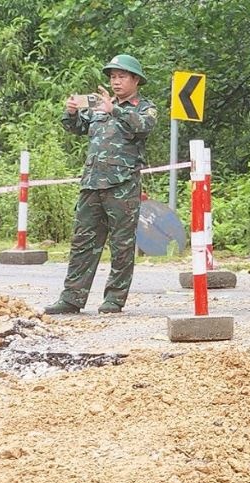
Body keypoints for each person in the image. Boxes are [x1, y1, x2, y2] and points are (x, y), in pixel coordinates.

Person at [44, 54, 157, 315]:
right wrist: (71, 112)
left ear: (135, 79)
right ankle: (72, 297)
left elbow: (143, 127)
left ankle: (114, 300)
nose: (116, 82)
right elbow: (76, 127)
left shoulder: (144, 107)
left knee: (121, 244)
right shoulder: (99, 106)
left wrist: (114, 109)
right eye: (113, 77)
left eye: (122, 76)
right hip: (92, 183)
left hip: (122, 184)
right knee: (82, 241)